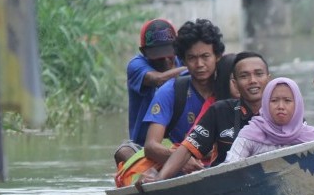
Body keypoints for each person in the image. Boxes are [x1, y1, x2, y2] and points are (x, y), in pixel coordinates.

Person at [140, 51, 272, 182]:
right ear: (235, 83)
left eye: (259, 74)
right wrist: (160, 177)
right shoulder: (219, 111)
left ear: (269, 78)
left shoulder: (284, 108)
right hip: (225, 184)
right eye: (244, 76)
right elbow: (187, 149)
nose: (253, 81)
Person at [140, 18, 225, 171]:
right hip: (183, 170)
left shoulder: (229, 87)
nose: (199, 64)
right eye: (192, 58)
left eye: (205, 56)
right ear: (183, 60)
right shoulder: (170, 91)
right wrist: (181, 160)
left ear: (217, 56)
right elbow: (151, 146)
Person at [114, 18, 186, 165]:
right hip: (144, 147)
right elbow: (158, 79)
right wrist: (193, 69)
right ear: (144, 52)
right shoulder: (136, 65)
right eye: (159, 57)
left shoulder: (185, 59)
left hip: (182, 143)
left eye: (169, 54)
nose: (166, 61)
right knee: (123, 151)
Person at [225, 77, 314, 163]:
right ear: (266, 103)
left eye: (287, 100)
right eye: (274, 100)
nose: (280, 106)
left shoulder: (311, 137)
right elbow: (230, 167)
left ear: (297, 105)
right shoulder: (250, 133)